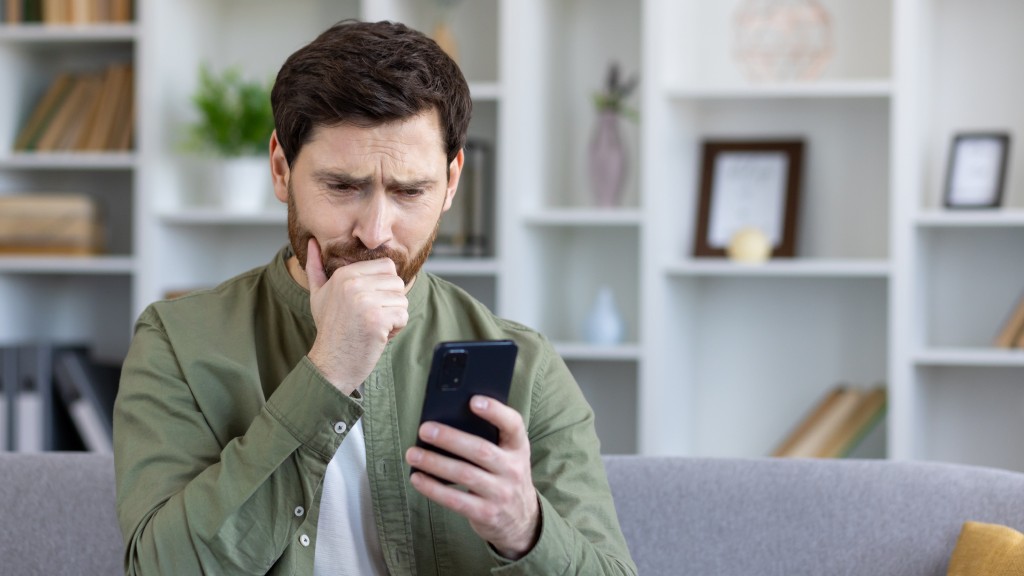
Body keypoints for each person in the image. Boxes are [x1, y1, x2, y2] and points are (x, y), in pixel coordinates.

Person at [114, 19, 637, 576]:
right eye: (342, 186)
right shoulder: (177, 343)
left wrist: (522, 528)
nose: (376, 231)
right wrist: (328, 372)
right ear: (281, 169)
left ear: (452, 182)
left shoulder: (525, 366)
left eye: (410, 191)